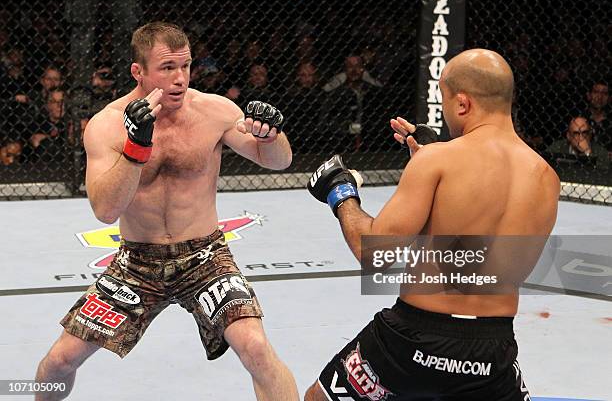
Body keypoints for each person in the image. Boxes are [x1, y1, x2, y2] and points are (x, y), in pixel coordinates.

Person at [34, 22, 299, 401]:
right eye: (167, 68)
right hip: (137, 263)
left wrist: (270, 135)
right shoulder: (106, 125)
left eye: (186, 66)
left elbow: (278, 162)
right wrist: (136, 147)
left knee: (256, 348)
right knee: (60, 359)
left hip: (205, 256)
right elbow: (105, 210)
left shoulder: (215, 110)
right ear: (137, 72)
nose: (179, 79)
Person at [305, 49, 560, 400]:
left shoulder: (438, 160)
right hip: (492, 350)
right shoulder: (547, 177)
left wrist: (341, 192)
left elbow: (373, 253)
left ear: (463, 103)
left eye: (443, 100)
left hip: (412, 341)